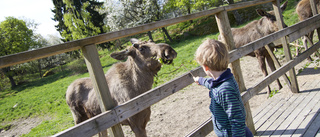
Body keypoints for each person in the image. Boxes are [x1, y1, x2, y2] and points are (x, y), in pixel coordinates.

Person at [193, 39, 253, 137]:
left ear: (206, 67)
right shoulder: (224, 79)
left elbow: (237, 120)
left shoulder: (225, 90)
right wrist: (201, 80)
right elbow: (212, 84)